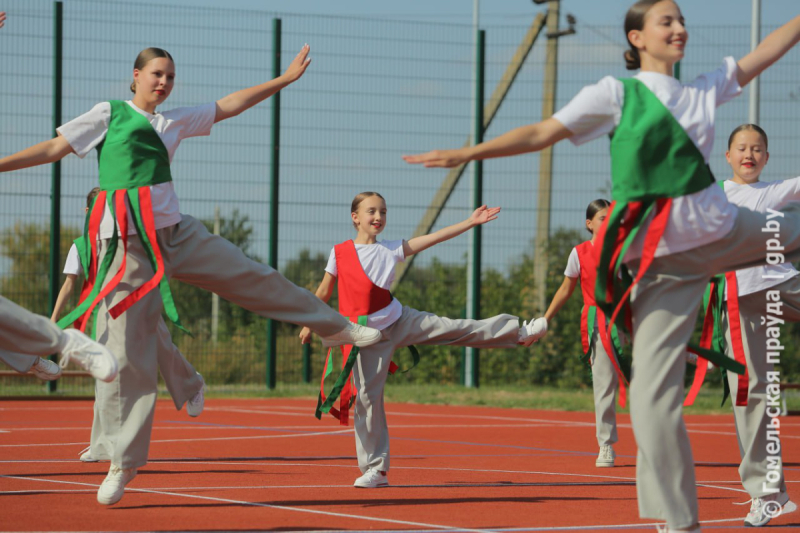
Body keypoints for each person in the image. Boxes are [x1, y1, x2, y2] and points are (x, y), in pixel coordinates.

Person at [404, 2, 800, 530]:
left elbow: (765, 52)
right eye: (666, 21)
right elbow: (543, 132)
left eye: (682, 19)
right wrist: (469, 153)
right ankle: (678, 522)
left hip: (725, 229)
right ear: (637, 37)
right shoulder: (616, 93)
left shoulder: (704, 88)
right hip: (666, 265)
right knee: (652, 397)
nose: (679, 28)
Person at [0, 36, 381, 505]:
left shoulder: (175, 120)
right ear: (135, 76)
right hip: (129, 249)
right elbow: (53, 149)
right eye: (156, 74)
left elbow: (229, 105)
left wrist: (282, 80)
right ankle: (123, 462)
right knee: (130, 357)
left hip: (178, 235)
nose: (164, 82)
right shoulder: (109, 114)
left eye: (171, 77)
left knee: (255, 277)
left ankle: (337, 327)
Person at [300, 191, 545, 488]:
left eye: (384, 212)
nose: (379, 217)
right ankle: (375, 470)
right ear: (355, 218)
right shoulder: (339, 252)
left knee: (454, 328)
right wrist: (309, 322)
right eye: (372, 212)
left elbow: (435, 238)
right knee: (366, 399)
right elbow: (325, 290)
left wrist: (469, 221)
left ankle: (518, 333)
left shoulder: (390, 249)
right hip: (365, 337)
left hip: (400, 320)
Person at [52, 188, 206, 462]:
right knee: (106, 370)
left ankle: (192, 385)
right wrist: (53, 321)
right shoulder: (80, 245)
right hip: (106, 311)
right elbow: (68, 284)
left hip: (139, 299)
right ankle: (101, 443)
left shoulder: (129, 237)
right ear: (88, 212)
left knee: (162, 349)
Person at [702, 124, 798, 527]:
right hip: (742, 298)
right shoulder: (718, 193)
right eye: (741, 148)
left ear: (767, 157)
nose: (749, 154)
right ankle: (769, 492)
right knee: (751, 391)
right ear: (728, 157)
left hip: (785, 284)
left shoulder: (775, 191)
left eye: (758, 148)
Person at [538, 199, 624, 468]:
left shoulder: (625, 250)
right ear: (589, 224)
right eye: (602, 218)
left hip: (626, 319)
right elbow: (566, 289)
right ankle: (605, 444)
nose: (608, 222)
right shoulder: (579, 253)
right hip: (597, 322)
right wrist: (545, 318)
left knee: (651, 378)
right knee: (604, 384)